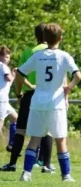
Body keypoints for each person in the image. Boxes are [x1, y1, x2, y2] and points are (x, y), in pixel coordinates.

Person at [16, 23, 81, 181]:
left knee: (34, 139)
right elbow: (78, 75)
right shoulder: (64, 56)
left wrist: (19, 93)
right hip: (56, 104)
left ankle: (26, 173)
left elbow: (19, 74)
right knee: (60, 139)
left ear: (44, 39)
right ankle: (66, 175)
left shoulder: (37, 56)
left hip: (38, 101)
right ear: (60, 38)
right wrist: (68, 88)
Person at [1, 23, 54, 173]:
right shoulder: (53, 52)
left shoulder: (28, 52)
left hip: (29, 95)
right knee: (47, 131)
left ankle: (12, 163)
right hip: (47, 95)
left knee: (21, 130)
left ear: (36, 35)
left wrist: (19, 95)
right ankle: (46, 165)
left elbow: (19, 76)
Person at [0, 46, 18, 153]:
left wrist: (13, 75)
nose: (8, 59)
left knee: (15, 118)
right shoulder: (3, 66)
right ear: (1, 56)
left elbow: (7, 84)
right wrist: (13, 74)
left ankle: (11, 144)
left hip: (4, 100)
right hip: (1, 100)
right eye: (6, 57)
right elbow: (8, 78)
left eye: (8, 57)